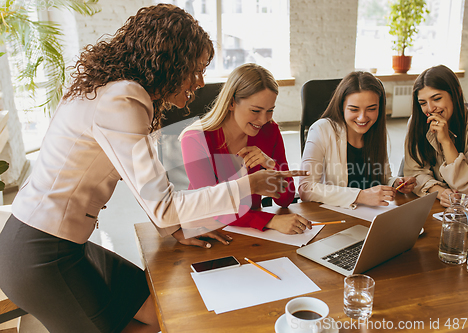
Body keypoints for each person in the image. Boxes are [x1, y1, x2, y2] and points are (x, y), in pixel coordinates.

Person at [0, 5, 305, 333]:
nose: (200, 82)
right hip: (42, 253)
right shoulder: (123, 101)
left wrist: (173, 229)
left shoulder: (117, 89)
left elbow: (145, 184)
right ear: (170, 62)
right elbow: (165, 206)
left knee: (163, 311)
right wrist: (249, 185)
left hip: (62, 242)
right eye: (197, 69)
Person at [180, 63, 311, 235]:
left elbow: (285, 199)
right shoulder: (195, 139)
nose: (263, 119)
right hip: (208, 230)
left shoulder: (269, 131)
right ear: (232, 103)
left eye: (270, 110)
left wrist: (271, 165)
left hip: (252, 231)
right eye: (256, 110)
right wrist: (270, 220)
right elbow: (211, 206)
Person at [299, 71, 416, 209]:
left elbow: (382, 178)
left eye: (371, 109)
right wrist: (361, 196)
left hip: (371, 214)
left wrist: (395, 183)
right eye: (354, 109)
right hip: (336, 215)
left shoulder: (375, 131)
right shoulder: (321, 130)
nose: (362, 118)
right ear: (342, 107)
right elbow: (306, 189)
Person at [404, 64, 468, 207]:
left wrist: (446, 141)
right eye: (423, 103)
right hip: (432, 202)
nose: (430, 109)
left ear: (456, 93)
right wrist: (440, 192)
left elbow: (466, 187)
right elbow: (413, 172)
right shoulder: (416, 123)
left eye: (436, 99)